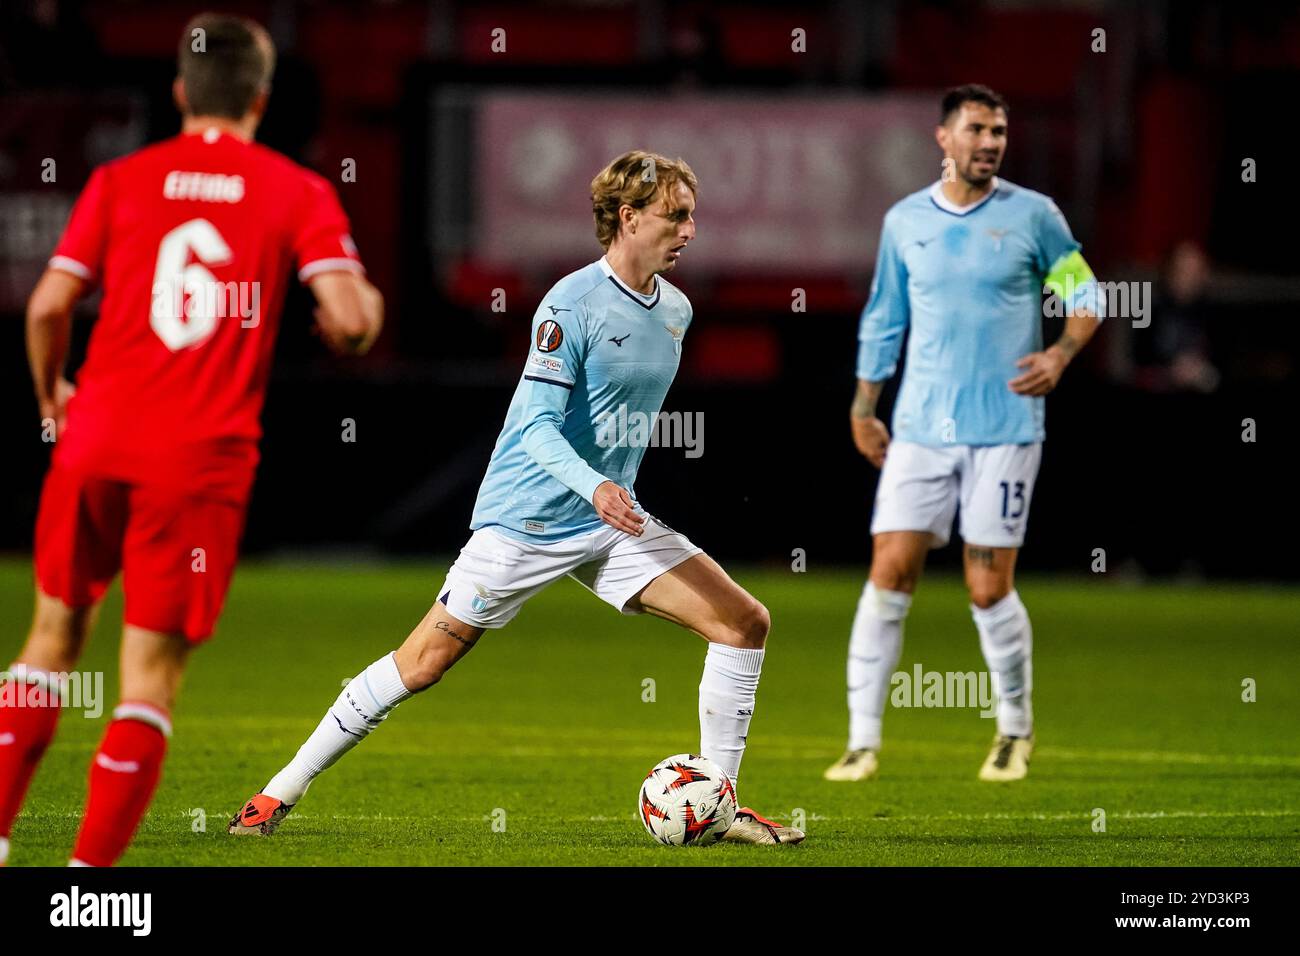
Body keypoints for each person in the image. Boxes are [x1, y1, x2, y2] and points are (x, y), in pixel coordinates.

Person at [230, 150, 803, 846]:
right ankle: (278, 792)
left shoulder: (676, 310)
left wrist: (609, 491)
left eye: (691, 217)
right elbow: (534, 426)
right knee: (422, 664)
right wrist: (593, 483)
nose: (688, 231)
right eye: (675, 215)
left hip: (611, 522)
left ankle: (720, 804)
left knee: (744, 623)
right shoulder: (570, 304)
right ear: (627, 216)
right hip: (526, 522)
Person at [0, 12, 382, 867]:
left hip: (94, 438)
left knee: (49, 642)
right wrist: (360, 313)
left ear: (179, 91)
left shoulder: (119, 179)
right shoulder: (293, 189)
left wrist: (51, 394)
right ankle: (84, 886)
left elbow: (47, 307)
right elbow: (352, 324)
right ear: (259, 97)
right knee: (147, 680)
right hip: (196, 458)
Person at [824, 84, 1105, 784]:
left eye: (1000, 131)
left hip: (1006, 427)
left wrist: (1061, 354)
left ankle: (1014, 728)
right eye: (978, 129)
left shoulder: (1034, 216)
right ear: (943, 139)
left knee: (986, 589)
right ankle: (861, 741)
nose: (990, 142)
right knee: (888, 574)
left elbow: (1086, 295)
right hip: (920, 430)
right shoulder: (904, 223)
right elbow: (883, 319)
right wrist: (865, 407)